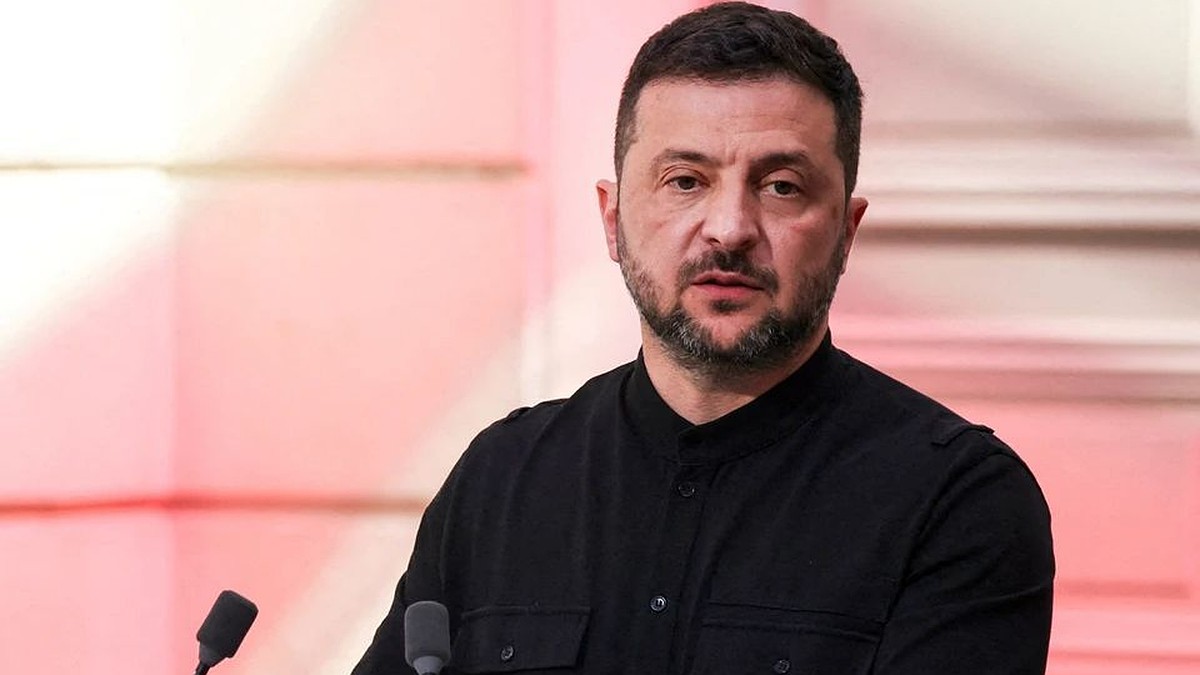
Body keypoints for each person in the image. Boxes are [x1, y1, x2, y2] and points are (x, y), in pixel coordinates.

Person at [352, 2, 1054, 673]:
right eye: (685, 180)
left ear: (846, 231)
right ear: (613, 219)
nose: (729, 228)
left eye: (781, 186)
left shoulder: (956, 500)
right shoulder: (502, 479)